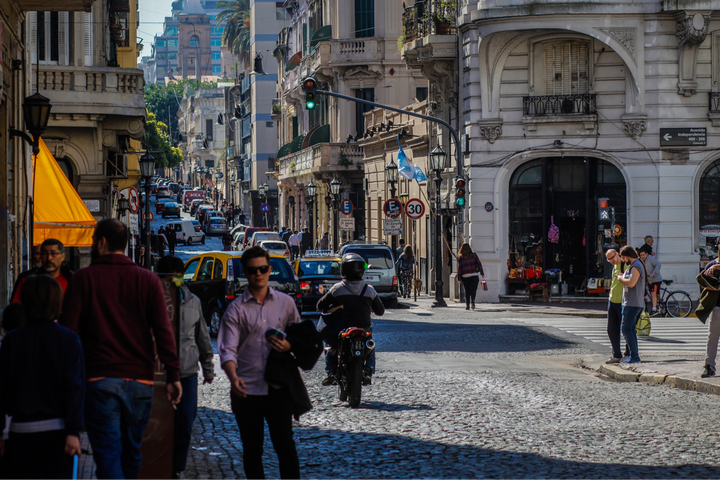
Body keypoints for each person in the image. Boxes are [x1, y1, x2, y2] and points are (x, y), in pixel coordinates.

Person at [59, 219, 181, 480]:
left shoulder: (83, 279)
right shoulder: (147, 280)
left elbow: (69, 335)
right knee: (132, 452)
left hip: (100, 380)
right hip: (140, 381)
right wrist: (173, 376)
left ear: (101, 243)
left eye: (93, 242)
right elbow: (163, 332)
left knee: (108, 454)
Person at [218, 246, 301, 480]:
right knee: (252, 450)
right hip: (247, 391)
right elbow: (227, 349)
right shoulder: (235, 310)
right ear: (245, 272)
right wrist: (233, 377)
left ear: (270, 270)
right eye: (253, 270)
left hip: (279, 388)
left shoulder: (286, 303)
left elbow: (299, 336)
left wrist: (289, 345)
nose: (258, 274)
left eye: (263, 269)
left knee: (285, 444)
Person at [0, 275, 84, 480]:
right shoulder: (69, 339)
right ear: (57, 302)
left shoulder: (11, 340)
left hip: (19, 432)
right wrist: (74, 431)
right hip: (58, 431)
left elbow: (2, 388)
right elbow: (73, 387)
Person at [156, 257, 214, 479]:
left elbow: (203, 337)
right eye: (168, 278)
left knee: (184, 424)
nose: (173, 282)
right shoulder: (152, 301)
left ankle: (177, 468)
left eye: (177, 277)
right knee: (159, 424)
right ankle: (160, 464)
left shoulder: (193, 301)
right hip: (158, 374)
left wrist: (207, 368)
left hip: (187, 372)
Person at [317, 253, 385, 386]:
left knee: (331, 346)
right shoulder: (369, 290)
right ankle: (368, 371)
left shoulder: (337, 289)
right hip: (363, 327)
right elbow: (380, 311)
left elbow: (320, 305)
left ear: (344, 270)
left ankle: (330, 372)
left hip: (341, 328)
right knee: (370, 346)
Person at [615, 245, 646, 364]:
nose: (623, 260)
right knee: (630, 329)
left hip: (633, 303)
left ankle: (634, 356)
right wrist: (623, 276)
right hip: (631, 302)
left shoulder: (636, 266)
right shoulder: (634, 266)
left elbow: (631, 283)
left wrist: (620, 279)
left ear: (627, 256)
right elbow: (630, 278)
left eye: (623, 258)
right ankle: (633, 355)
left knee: (626, 329)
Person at [604, 249, 630, 364]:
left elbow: (631, 279)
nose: (611, 260)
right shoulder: (614, 266)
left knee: (625, 329)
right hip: (612, 301)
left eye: (612, 257)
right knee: (611, 329)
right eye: (609, 259)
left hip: (622, 301)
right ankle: (616, 354)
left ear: (617, 254)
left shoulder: (625, 265)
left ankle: (628, 353)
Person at [457, 243, 486, 310]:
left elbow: (459, 268)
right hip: (474, 275)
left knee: (467, 291)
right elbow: (479, 264)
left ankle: (467, 305)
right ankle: (472, 301)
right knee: (473, 290)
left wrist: (459, 278)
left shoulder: (461, 257)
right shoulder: (474, 255)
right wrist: (482, 274)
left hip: (465, 276)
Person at [638, 244, 662, 314]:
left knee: (653, 293)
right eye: (641, 255)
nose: (642, 256)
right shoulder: (641, 261)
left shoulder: (650, 258)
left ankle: (654, 309)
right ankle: (659, 305)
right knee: (656, 294)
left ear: (647, 254)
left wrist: (653, 273)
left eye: (643, 255)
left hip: (655, 280)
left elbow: (658, 265)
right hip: (649, 280)